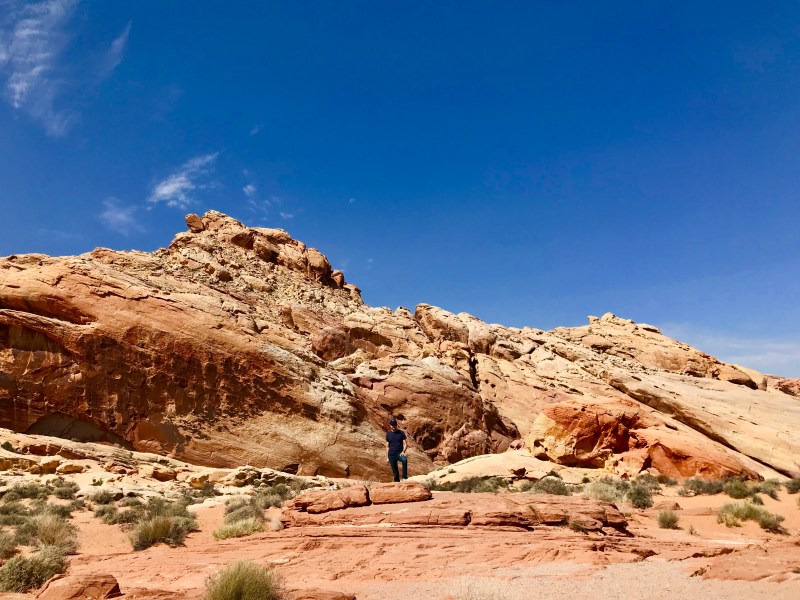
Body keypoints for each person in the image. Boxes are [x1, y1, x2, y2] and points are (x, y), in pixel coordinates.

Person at [385, 417, 408, 482]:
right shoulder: (388, 434)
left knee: (404, 460)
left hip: (399, 453)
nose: (393, 426)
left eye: (394, 425)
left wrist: (403, 451)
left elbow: (405, 444)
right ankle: (397, 484)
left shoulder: (401, 433)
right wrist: (387, 457)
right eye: (392, 425)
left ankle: (404, 478)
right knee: (395, 473)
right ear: (390, 425)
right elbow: (387, 446)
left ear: (396, 425)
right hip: (391, 455)